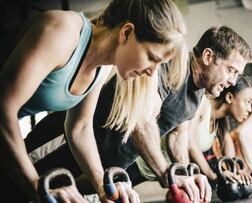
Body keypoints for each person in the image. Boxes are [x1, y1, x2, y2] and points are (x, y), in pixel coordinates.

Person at [26, 26, 252, 202]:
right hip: (65, 140)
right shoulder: (171, 63)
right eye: (231, 70)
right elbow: (141, 119)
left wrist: (185, 176)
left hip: (100, 163)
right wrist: (167, 174)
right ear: (207, 56)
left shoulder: (198, 93)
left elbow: (178, 137)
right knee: (17, 185)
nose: (233, 81)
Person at [0, 0, 188, 202]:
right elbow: (4, 108)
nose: (152, 72)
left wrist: (103, 187)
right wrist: (37, 186)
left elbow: (79, 128)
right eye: (152, 57)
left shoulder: (103, 67)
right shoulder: (62, 32)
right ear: (126, 32)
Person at [133, 75, 252, 188]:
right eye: (247, 102)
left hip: (161, 171)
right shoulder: (203, 104)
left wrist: (236, 169)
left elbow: (227, 145)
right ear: (229, 97)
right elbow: (189, 141)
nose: (250, 109)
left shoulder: (220, 123)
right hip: (140, 163)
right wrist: (212, 175)